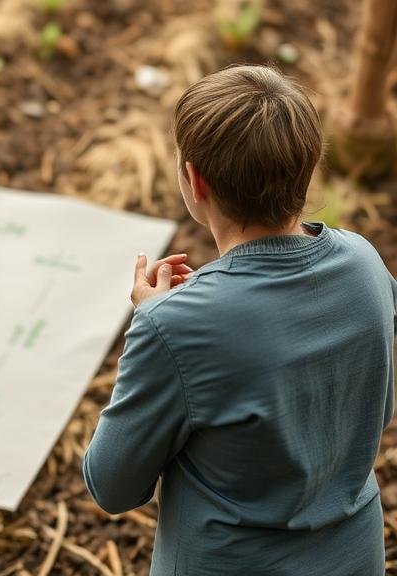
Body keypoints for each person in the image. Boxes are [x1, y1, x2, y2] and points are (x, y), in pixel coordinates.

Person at [83, 65, 396, 575]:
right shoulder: (364, 264)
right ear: (309, 166)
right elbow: (372, 408)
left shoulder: (174, 326)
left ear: (194, 179)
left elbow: (113, 486)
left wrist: (156, 321)